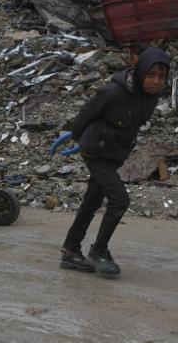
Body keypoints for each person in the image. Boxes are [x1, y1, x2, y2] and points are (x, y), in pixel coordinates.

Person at [51, 46, 170, 276]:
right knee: (119, 201)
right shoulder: (113, 92)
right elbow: (87, 112)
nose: (156, 81)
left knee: (91, 202)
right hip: (96, 153)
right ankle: (99, 251)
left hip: (114, 155)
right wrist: (76, 137)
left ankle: (70, 251)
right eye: (151, 74)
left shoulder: (150, 98)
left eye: (162, 76)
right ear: (140, 71)